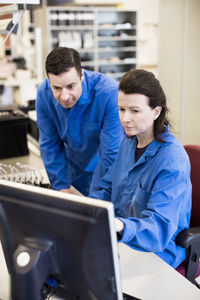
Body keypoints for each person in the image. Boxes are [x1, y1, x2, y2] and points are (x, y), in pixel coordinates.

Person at [89, 69, 192, 268]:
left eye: (134, 111)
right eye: (121, 109)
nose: (125, 118)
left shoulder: (172, 160)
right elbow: (109, 189)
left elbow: (158, 229)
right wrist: (84, 208)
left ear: (156, 111)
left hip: (158, 252)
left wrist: (120, 225)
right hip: (124, 240)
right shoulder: (128, 143)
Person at [36, 47, 124, 196]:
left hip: (107, 170)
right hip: (74, 170)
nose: (64, 96)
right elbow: (50, 144)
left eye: (71, 86)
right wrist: (61, 186)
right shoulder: (43, 94)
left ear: (81, 75)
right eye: (57, 88)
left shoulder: (108, 93)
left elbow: (111, 152)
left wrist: (98, 195)